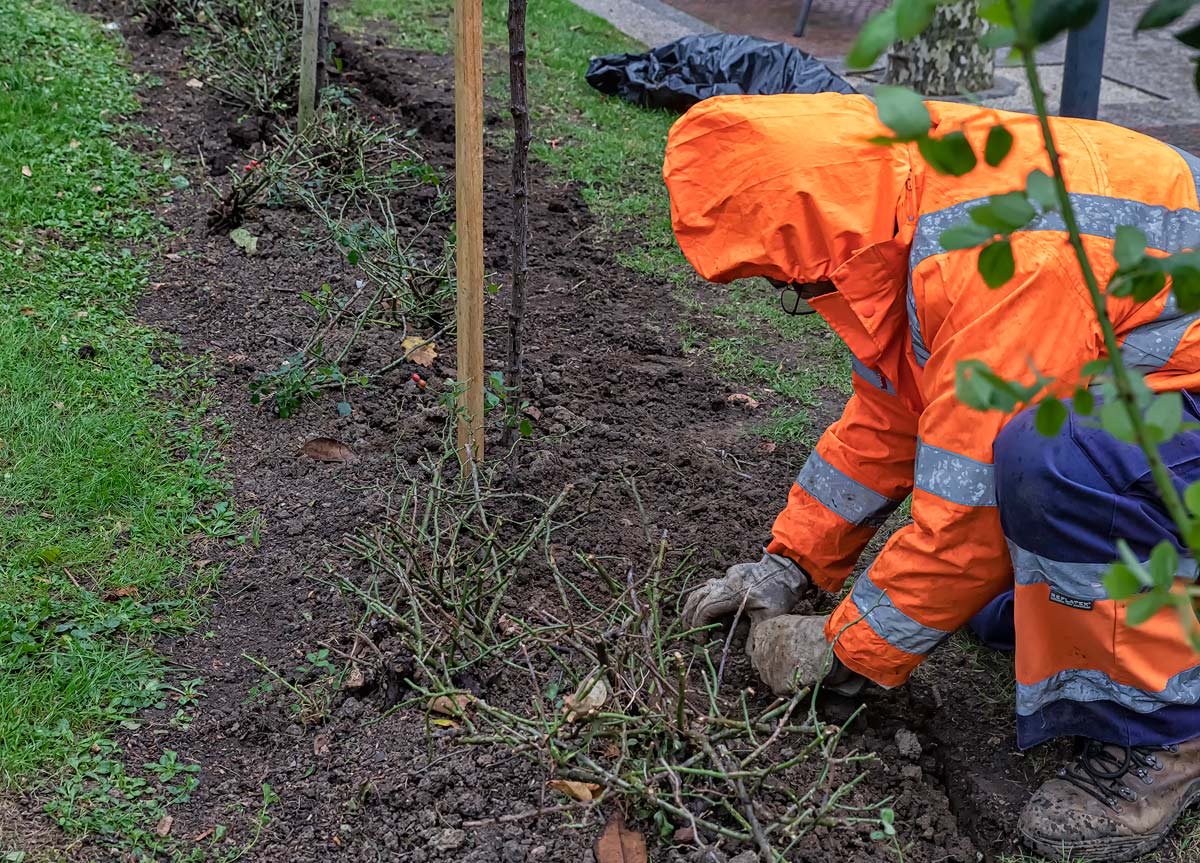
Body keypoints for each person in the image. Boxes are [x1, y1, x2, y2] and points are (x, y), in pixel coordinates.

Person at [662, 92, 1200, 862]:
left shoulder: (995, 251)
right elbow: (889, 421)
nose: (794, 298)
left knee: (1054, 464)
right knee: (998, 601)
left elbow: (972, 501)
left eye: (790, 282)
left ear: (826, 244)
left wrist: (845, 652)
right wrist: (788, 564)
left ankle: (1165, 736)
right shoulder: (906, 203)